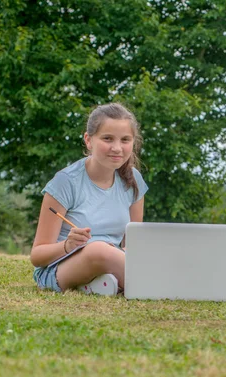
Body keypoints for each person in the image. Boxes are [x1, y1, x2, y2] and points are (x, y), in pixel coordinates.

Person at [30, 103, 148, 296]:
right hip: (60, 268)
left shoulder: (133, 180)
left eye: (125, 140)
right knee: (97, 251)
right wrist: (67, 246)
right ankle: (157, 285)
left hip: (113, 260)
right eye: (107, 138)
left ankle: (102, 282)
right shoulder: (65, 182)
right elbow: (37, 256)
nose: (117, 148)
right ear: (88, 140)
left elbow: (133, 244)